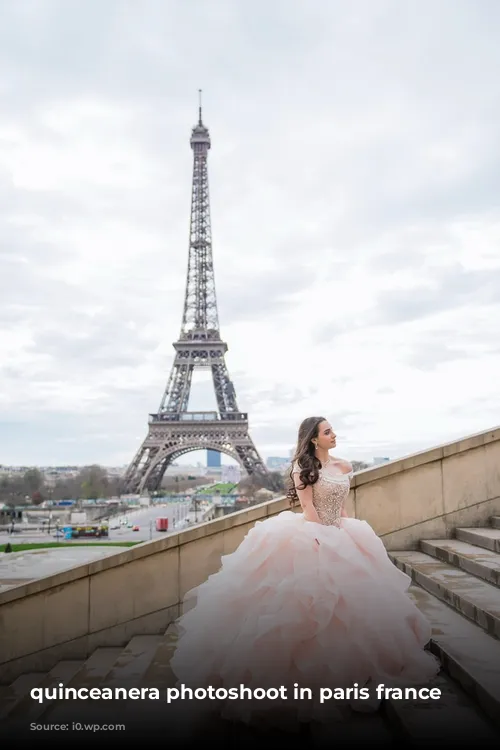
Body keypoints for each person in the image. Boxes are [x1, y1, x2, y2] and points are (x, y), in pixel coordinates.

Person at [169, 416, 440, 731]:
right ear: (314, 439)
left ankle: (351, 668)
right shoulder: (302, 468)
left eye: (332, 430)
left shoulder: (344, 467)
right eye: (327, 432)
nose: (334, 434)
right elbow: (309, 510)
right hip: (313, 532)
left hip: (342, 531)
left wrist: (350, 532)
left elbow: (342, 508)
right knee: (307, 606)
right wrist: (326, 536)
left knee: (351, 602)